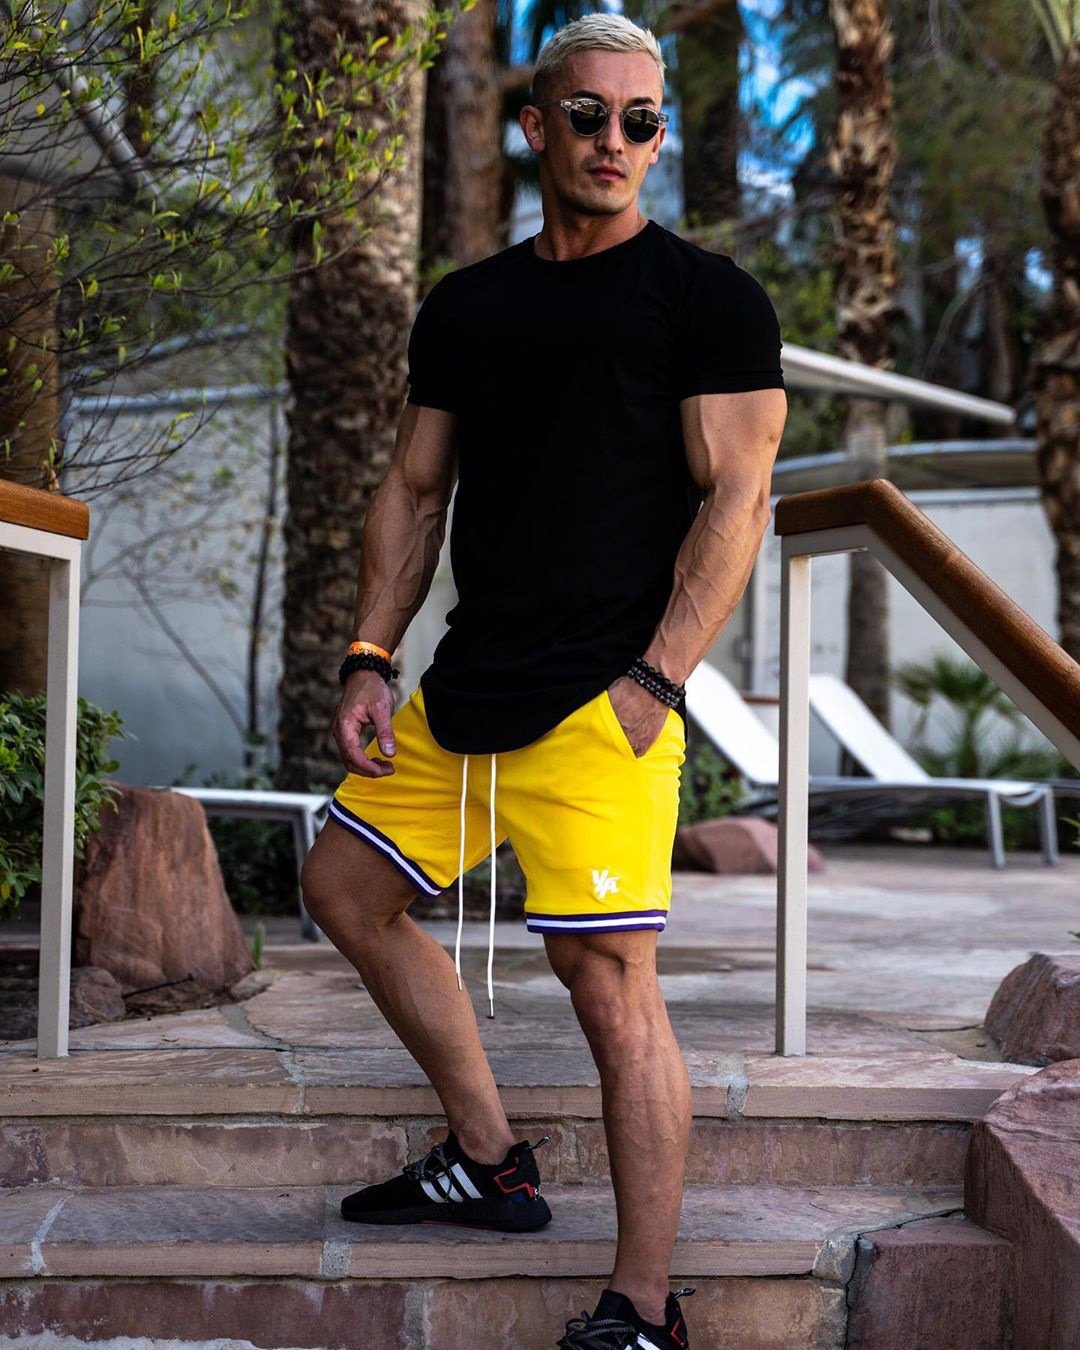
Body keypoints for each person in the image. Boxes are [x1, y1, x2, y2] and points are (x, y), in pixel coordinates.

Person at [299, 11, 788, 1348]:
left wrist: (657, 679)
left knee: (608, 985)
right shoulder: (471, 306)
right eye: (588, 115)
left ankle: (643, 1307)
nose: (614, 139)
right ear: (536, 126)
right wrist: (370, 656)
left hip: (603, 703)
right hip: (467, 689)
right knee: (343, 886)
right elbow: (416, 491)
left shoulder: (709, 300)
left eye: (641, 120)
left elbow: (737, 498)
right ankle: (489, 1159)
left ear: (660, 138)